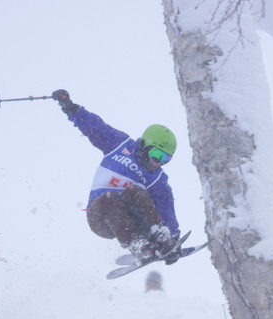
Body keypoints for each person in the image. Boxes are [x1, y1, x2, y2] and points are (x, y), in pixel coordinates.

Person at [51, 89, 182, 264]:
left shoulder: (156, 179)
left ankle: (159, 236)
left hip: (137, 219)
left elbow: (166, 207)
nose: (158, 162)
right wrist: (70, 108)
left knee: (134, 191)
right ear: (145, 144)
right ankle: (136, 244)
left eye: (166, 159)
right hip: (101, 216)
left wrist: (173, 239)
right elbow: (96, 127)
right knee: (109, 197)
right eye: (157, 155)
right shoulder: (120, 145)